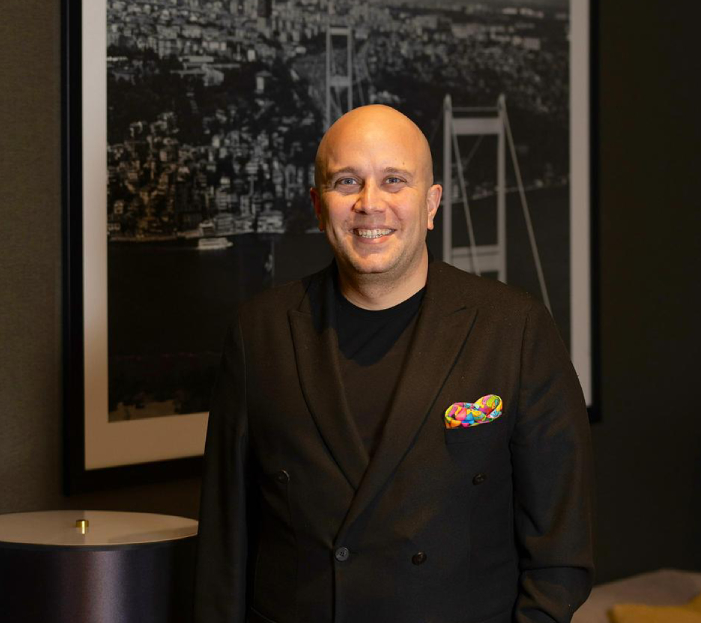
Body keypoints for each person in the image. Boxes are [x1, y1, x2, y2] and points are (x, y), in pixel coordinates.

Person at [195, 105, 594, 623]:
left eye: (394, 180)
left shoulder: (514, 328)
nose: (370, 203)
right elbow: (223, 545)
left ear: (431, 204)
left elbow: (561, 547)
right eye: (346, 182)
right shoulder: (258, 333)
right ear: (318, 206)